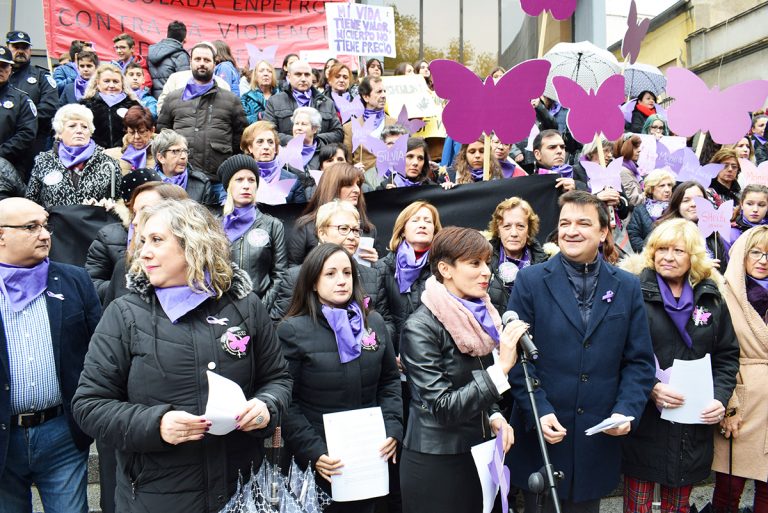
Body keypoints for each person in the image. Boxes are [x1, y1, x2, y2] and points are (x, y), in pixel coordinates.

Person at [72, 199, 293, 513]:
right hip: (156, 497)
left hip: (241, 490)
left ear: (194, 243)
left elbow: (277, 379)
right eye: (142, 240)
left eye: (157, 240)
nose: (143, 251)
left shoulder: (245, 306)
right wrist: (156, 424)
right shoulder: (124, 314)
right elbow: (89, 404)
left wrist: (267, 406)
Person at [506, 190, 655, 513]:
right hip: (544, 439)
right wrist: (539, 411)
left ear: (603, 232)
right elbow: (516, 359)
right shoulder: (530, 281)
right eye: (565, 223)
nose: (571, 231)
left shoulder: (627, 286)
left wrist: (626, 409)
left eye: (583, 223)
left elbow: (639, 361)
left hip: (597, 439)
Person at [399, 226, 523, 513]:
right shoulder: (420, 328)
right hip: (437, 463)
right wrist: (502, 367)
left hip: (477, 452)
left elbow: (473, 381)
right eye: (474, 263)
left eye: (487, 263)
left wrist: (493, 415)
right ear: (445, 268)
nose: (486, 272)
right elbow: (442, 406)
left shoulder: (479, 314)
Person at [620, 218, 738, 513]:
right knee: (639, 507)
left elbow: (726, 355)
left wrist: (719, 399)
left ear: (693, 257)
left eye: (678, 250)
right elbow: (615, 352)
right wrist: (651, 388)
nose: (668, 257)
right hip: (645, 420)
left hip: (691, 423)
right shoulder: (632, 292)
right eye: (661, 249)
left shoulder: (711, 297)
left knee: (678, 507)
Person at [278, 243, 402, 513]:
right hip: (320, 462)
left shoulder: (375, 323)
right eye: (331, 274)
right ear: (313, 282)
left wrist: (393, 429)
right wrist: (314, 452)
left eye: (347, 273)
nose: (342, 281)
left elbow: (390, 382)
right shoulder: (292, 330)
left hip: (369, 456)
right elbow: (287, 400)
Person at [0, 197, 101, 513]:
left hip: (62, 434)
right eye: (31, 227)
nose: (45, 235)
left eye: (45, 226)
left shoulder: (74, 280)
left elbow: (98, 350)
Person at [712, 226, 768, 513]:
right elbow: (718, 353)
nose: (763, 260)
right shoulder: (723, 294)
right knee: (728, 489)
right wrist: (729, 405)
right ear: (742, 255)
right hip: (742, 396)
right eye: (755, 252)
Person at [270, 200, 392, 330]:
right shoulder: (296, 276)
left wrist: (364, 342)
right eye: (344, 229)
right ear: (322, 233)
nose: (352, 236)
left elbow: (387, 324)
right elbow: (278, 324)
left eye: (356, 230)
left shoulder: (373, 276)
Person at [157, 42, 247, 199]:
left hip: (219, 181)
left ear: (214, 63)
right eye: (197, 59)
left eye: (206, 60)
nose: (202, 64)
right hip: (181, 180)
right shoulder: (173, 98)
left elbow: (240, 139)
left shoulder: (231, 100)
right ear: (190, 62)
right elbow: (163, 135)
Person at [84, 169, 163, 305]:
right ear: (128, 206)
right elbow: (91, 283)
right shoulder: (108, 236)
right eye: (137, 211)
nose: (137, 220)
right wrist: (128, 284)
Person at [217, 154, 286, 304]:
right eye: (239, 179)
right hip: (222, 311)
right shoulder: (214, 226)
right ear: (228, 185)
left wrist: (260, 309)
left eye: (251, 180)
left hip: (260, 308)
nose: (246, 185)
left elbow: (280, 275)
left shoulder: (273, 225)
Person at [26, 104, 122, 209]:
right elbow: (31, 202)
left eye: (84, 127)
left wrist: (111, 206)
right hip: (55, 224)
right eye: (72, 126)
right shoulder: (43, 161)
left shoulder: (108, 163)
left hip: (95, 224)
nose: (79, 131)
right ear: (59, 133)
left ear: (90, 133)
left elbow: (121, 202)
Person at [378, 201, 443, 350]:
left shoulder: (444, 269)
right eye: (415, 220)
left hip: (433, 353)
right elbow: (381, 319)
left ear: (435, 230)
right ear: (402, 230)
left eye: (428, 221)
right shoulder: (382, 268)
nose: (422, 225)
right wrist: (391, 355)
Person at [288, 162, 375, 265]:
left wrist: (375, 264)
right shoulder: (305, 227)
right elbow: (292, 270)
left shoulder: (368, 229)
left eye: (358, 184)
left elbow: (378, 275)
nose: (357, 190)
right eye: (349, 184)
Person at [6, 31, 59, 177]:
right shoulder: (3, 76)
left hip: (33, 144)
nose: (20, 51)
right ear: (7, 47)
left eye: (25, 47)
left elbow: (50, 107)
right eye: (16, 47)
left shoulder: (42, 76)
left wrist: (22, 119)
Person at [486, 197, 549, 314]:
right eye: (507, 226)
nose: (514, 233)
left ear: (528, 230)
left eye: (520, 226)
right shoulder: (483, 261)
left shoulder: (546, 265)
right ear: (498, 230)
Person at [263, 60, 343, 146]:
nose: (303, 79)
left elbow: (338, 133)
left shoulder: (327, 102)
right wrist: (295, 140)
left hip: (319, 155)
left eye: (307, 75)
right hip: (287, 154)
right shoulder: (275, 101)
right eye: (298, 74)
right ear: (289, 77)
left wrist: (313, 139)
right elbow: (268, 131)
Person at [657, 181, 728, 271]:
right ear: (677, 205)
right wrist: (700, 267)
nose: (694, 204)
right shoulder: (663, 233)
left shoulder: (713, 234)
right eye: (686, 200)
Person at [239, 120, 308, 204]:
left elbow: (300, 214)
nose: (266, 147)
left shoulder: (292, 179)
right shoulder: (237, 178)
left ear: (275, 148)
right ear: (250, 148)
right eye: (260, 142)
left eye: (270, 142)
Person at [151, 128, 219, 210]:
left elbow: (209, 218)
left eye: (185, 151)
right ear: (161, 157)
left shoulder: (201, 184)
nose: (183, 156)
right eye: (175, 151)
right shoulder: (147, 183)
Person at [80, 63, 141, 149]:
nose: (111, 85)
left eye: (115, 81)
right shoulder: (85, 105)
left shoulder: (133, 105)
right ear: (98, 83)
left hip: (126, 153)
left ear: (122, 84)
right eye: (106, 81)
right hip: (94, 154)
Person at [343, 75, 397, 171]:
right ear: (366, 97)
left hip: (391, 182)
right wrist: (353, 170)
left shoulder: (396, 123)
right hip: (364, 182)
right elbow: (347, 163)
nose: (384, 95)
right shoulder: (350, 128)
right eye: (379, 92)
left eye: (384, 91)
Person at [0, 45, 37, 176]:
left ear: (10, 69)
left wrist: (1, 152)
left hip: (8, 168)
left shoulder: (22, 100)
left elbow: (27, 134)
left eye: (4, 66)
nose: (0, 70)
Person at [627, 168, 676, 252]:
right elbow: (634, 235)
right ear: (652, 189)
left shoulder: (676, 208)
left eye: (669, 185)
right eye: (662, 186)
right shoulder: (640, 210)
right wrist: (649, 252)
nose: (667, 190)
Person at [104, 105, 157, 175]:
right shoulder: (110, 155)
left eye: (142, 132)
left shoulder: (161, 157)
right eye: (131, 132)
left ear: (152, 130)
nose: (136, 137)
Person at [147, 20, 189, 99]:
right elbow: (183, 84)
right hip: (170, 102)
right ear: (185, 38)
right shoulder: (181, 55)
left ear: (166, 34)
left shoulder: (151, 51)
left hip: (151, 101)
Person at [725, 184, 768, 251]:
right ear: (742, 204)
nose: (755, 209)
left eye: (761, 205)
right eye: (749, 204)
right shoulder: (730, 234)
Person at [241, 59, 278, 124]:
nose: (266, 74)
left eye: (269, 71)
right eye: (261, 71)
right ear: (255, 76)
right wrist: (259, 116)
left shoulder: (281, 96)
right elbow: (242, 121)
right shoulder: (246, 98)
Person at [613, 134, 645, 206]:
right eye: (634, 147)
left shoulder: (631, 168)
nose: (639, 150)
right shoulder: (623, 171)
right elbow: (633, 200)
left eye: (638, 147)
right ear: (624, 149)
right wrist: (651, 194)